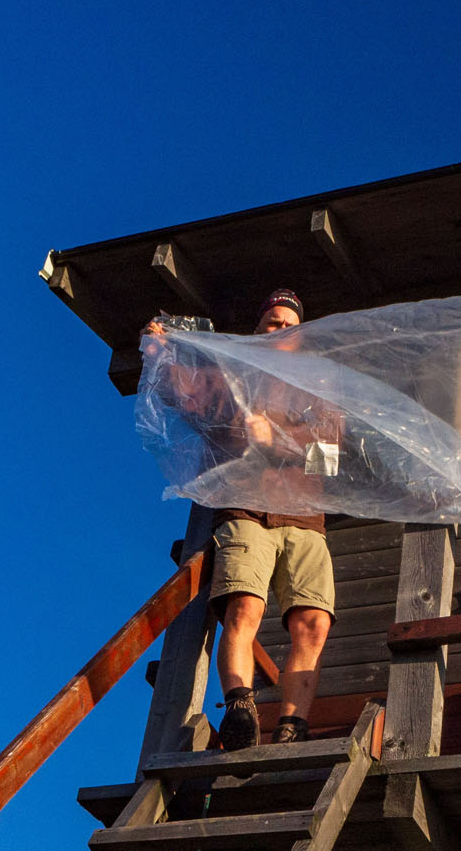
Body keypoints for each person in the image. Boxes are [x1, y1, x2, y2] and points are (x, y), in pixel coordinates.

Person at [143, 289, 339, 750]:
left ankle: (292, 726)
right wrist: (157, 351)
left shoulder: (317, 391)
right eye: (273, 322)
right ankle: (240, 706)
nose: (281, 330)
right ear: (259, 330)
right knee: (244, 606)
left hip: (306, 518)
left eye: (289, 325)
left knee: (313, 623)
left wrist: (278, 439)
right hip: (245, 509)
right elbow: (183, 395)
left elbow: (330, 460)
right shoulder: (230, 378)